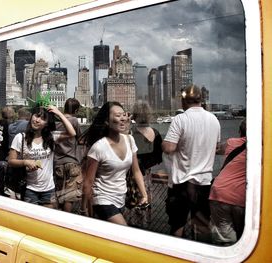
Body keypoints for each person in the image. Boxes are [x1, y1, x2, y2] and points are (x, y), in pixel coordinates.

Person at [162, 84, 221, 238]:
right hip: (205, 182)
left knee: (177, 225)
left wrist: (163, 143)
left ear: (183, 101)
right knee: (202, 226)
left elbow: (168, 147)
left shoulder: (181, 119)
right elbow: (215, 147)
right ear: (201, 100)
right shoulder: (214, 119)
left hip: (183, 183)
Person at [80, 101, 148, 225]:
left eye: (124, 114)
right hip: (102, 199)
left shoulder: (130, 140)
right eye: (117, 115)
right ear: (107, 121)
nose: (122, 119)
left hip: (121, 199)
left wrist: (144, 195)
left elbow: (136, 170)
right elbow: (88, 181)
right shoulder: (99, 147)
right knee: (125, 232)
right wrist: (83, 208)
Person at [8, 105, 76, 208]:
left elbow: (72, 133)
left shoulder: (51, 137)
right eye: (36, 116)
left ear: (46, 124)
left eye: (43, 118)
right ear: (31, 116)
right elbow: (11, 161)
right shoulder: (20, 138)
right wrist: (25, 162)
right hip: (29, 189)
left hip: (49, 189)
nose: (37, 120)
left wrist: (59, 113)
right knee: (31, 221)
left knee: (49, 219)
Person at [209, 119, 246, 245]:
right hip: (241, 198)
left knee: (224, 242)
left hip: (219, 192)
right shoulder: (263, 149)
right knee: (245, 241)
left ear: (239, 131)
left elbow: (216, 149)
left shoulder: (231, 142)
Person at [54, 98, 83, 212]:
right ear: (76, 110)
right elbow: (80, 139)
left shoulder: (56, 121)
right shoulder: (74, 121)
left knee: (60, 193)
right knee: (69, 197)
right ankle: (67, 219)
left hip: (57, 162)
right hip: (72, 161)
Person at [0, 106, 15, 195]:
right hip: (4, 159)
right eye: (12, 112)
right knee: (6, 185)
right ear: (10, 114)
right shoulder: (9, 125)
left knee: (0, 182)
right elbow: (9, 142)